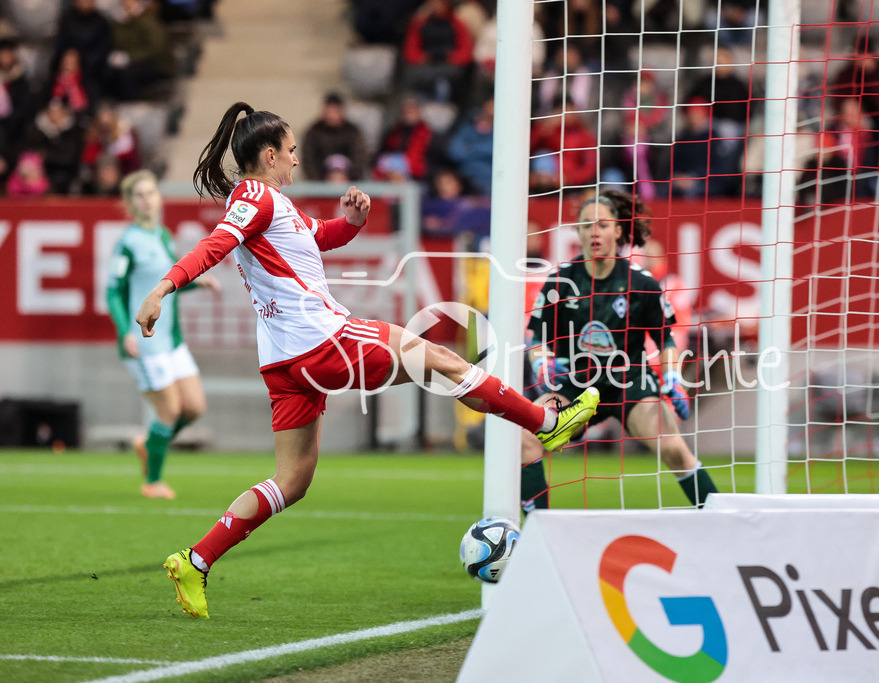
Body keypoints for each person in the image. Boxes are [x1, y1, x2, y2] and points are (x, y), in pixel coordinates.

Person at [136, 102, 599, 618]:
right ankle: (545, 421)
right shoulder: (254, 198)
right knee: (440, 358)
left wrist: (351, 222)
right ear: (269, 156)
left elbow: (319, 238)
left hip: (286, 362)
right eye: (290, 152)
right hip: (321, 340)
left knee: (292, 480)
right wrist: (163, 288)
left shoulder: (275, 206)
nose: (296, 161)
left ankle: (195, 562)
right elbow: (215, 245)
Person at [521, 188, 719, 512]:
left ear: (618, 230)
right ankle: (537, 536)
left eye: (601, 224)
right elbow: (538, 339)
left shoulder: (641, 283)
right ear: (578, 232)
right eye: (586, 225)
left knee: (673, 448)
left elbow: (666, 338)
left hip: (630, 383)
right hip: (575, 384)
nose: (593, 232)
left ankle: (722, 522)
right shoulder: (559, 281)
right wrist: (542, 365)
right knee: (526, 437)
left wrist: (672, 375)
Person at [107, 169, 219, 499]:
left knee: (194, 407)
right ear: (130, 203)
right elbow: (113, 292)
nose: (146, 200)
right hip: (143, 342)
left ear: (159, 197)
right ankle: (152, 481)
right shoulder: (127, 243)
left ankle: (149, 442)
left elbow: (164, 289)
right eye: (138, 195)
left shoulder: (163, 236)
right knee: (169, 411)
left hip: (171, 340)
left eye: (150, 192)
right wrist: (126, 331)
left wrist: (197, 283)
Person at [300, 92, 369, 182]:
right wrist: (323, 179)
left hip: (349, 183)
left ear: (341, 111)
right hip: (320, 186)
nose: (332, 115)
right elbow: (308, 160)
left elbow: (360, 158)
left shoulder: (353, 132)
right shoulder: (313, 132)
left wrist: (348, 176)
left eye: (335, 111)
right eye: (329, 111)